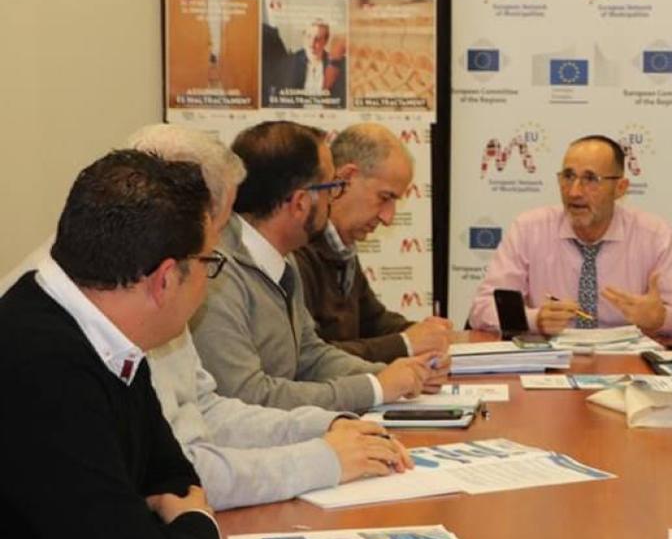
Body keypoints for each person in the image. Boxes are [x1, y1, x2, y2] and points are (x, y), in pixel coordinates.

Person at [129, 124, 412, 510]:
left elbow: (209, 408)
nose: (225, 236)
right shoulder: (193, 282)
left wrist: (324, 425)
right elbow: (182, 468)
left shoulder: (177, 284)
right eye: (219, 219)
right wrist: (324, 457)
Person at [0, 151, 221, 539]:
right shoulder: (42, 367)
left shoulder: (106, 336)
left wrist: (179, 523)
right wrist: (201, 529)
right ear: (166, 279)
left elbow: (172, 477)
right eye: (210, 262)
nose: (210, 280)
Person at [192, 120, 442, 412]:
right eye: (332, 188)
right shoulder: (216, 273)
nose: (333, 200)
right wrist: (374, 388)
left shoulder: (282, 260)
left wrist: (393, 375)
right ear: (299, 203)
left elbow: (310, 355)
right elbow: (248, 396)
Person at [469, 134, 672, 336]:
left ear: (620, 188)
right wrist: (536, 319)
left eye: (590, 179)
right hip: (549, 365)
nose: (574, 192)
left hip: (627, 366)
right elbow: (482, 309)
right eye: (568, 177)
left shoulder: (654, 235)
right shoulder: (528, 229)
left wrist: (662, 318)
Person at [294, 123, 451, 363]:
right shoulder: (295, 250)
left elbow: (373, 321)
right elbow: (310, 359)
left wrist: (429, 332)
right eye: (385, 198)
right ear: (346, 178)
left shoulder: (339, 245)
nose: (388, 218)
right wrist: (406, 343)